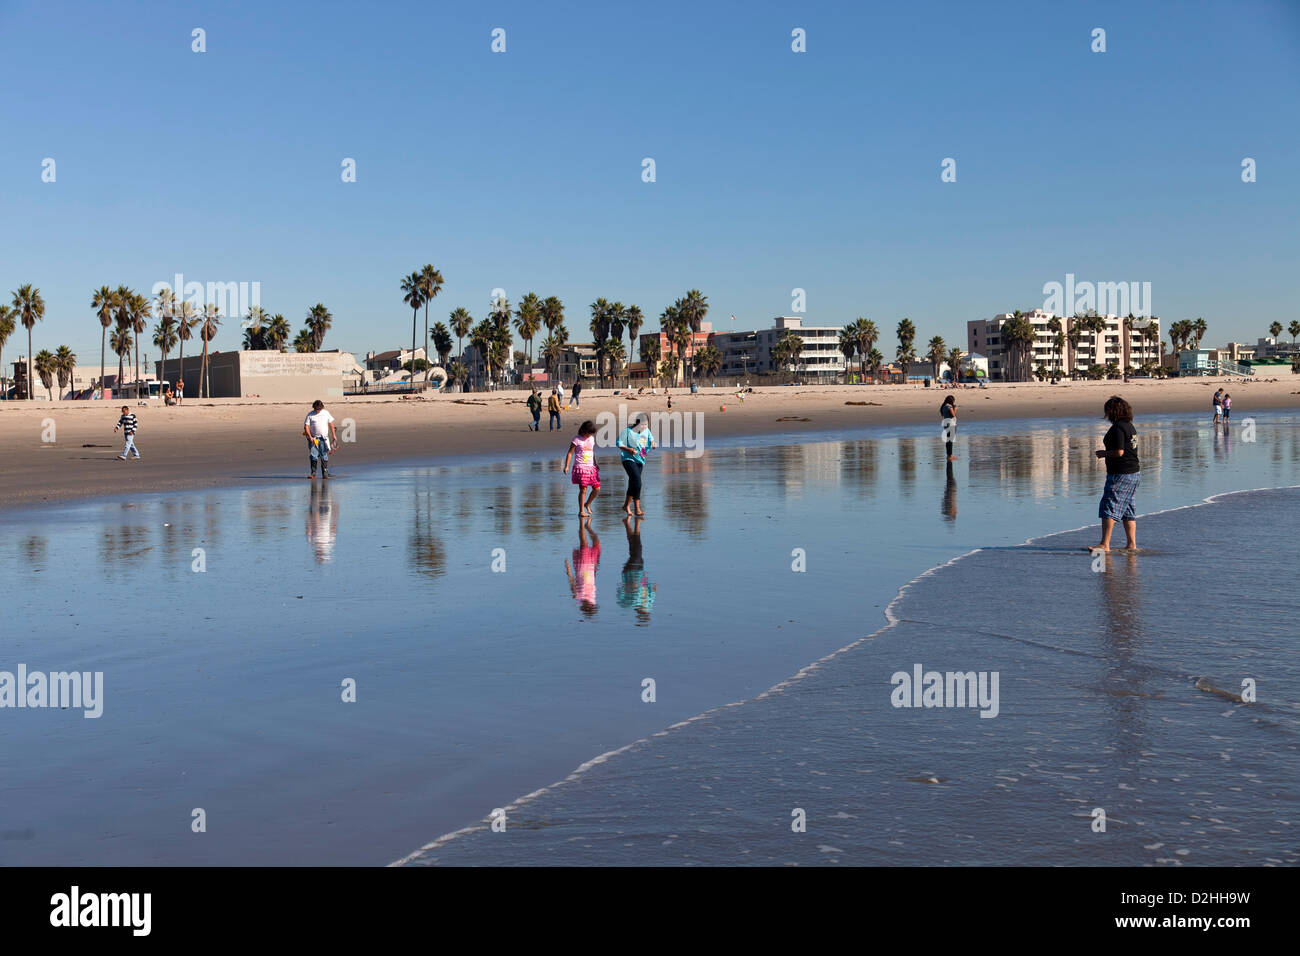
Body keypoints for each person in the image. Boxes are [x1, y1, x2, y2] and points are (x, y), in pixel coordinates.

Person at [1092, 395, 1140, 552]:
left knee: (1108, 505)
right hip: (1133, 472)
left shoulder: (1119, 427)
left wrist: (1103, 453)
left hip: (1121, 473)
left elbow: (1120, 452)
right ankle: (1131, 544)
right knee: (1128, 509)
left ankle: (1104, 544)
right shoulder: (1129, 426)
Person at [618, 413, 657, 516]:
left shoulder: (647, 431)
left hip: (640, 460)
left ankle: (626, 506)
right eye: (643, 424)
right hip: (628, 459)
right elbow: (619, 443)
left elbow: (651, 439)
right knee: (637, 482)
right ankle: (637, 508)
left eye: (646, 424)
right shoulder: (628, 431)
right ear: (637, 423)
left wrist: (653, 444)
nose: (644, 427)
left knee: (633, 483)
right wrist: (628, 449)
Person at [562, 419, 601, 516]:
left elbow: (592, 452)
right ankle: (581, 511)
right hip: (580, 467)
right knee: (583, 489)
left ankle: (587, 504)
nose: (589, 436)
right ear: (583, 430)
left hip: (591, 467)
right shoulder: (577, 439)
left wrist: (595, 463)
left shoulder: (591, 439)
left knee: (597, 488)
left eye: (591, 434)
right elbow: (570, 453)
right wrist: (566, 466)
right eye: (588, 433)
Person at [564, 520, 600, 618]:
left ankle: (582, 524)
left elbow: (571, 580)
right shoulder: (592, 597)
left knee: (584, 543)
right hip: (591, 566)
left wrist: (567, 567)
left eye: (591, 605)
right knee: (596, 542)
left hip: (583, 566)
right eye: (592, 605)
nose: (592, 603)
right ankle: (587, 526)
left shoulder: (578, 595)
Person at [303, 398, 339, 478]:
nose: (317, 410)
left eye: (319, 409)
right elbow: (306, 426)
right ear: (314, 408)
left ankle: (325, 473)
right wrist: (310, 437)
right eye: (316, 409)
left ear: (321, 408)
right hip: (313, 439)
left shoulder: (326, 413)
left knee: (324, 455)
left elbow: (331, 424)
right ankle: (313, 473)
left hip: (324, 438)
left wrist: (334, 435)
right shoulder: (310, 414)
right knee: (313, 455)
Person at [940, 395, 957, 461]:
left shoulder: (943, 406)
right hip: (951, 424)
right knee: (950, 441)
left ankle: (949, 455)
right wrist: (955, 409)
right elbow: (953, 415)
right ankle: (950, 456)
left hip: (946, 424)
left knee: (948, 441)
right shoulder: (949, 406)